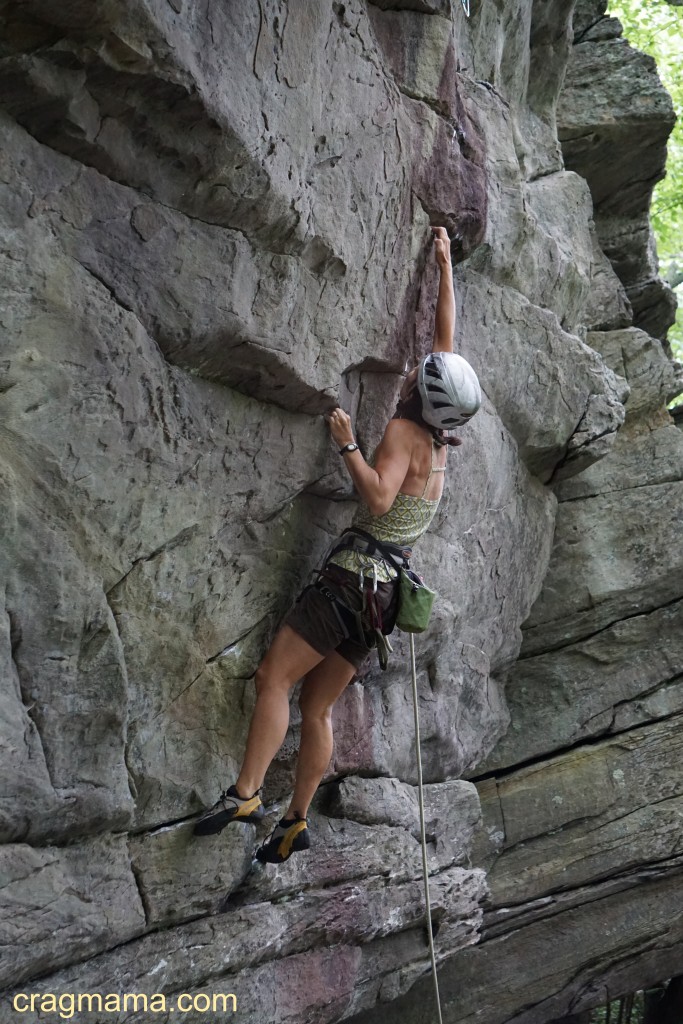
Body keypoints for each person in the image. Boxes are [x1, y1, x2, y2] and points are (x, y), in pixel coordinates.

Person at [193, 226, 481, 863]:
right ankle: (295, 817)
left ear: (422, 395)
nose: (417, 369)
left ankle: (245, 794)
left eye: (421, 375)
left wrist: (348, 443)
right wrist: (443, 267)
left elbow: (378, 499)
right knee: (317, 709)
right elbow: (445, 343)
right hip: (382, 603)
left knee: (273, 678)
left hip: (352, 580)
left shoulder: (405, 433)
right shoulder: (439, 439)